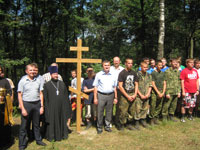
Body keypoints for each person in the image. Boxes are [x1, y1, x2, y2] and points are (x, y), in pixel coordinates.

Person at [18, 64, 46, 150]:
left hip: (37, 104)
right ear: (26, 71)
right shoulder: (23, 81)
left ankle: (38, 139)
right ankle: (22, 144)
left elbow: (41, 93)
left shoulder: (38, 80)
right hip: (26, 104)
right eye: (30, 70)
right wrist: (22, 108)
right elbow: (19, 95)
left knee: (36, 124)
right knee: (24, 125)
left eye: (34, 70)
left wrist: (42, 106)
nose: (32, 72)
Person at [43, 66, 72, 141]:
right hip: (52, 107)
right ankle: (52, 136)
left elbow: (66, 96)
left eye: (56, 74)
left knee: (62, 119)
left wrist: (67, 108)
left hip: (61, 106)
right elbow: (45, 99)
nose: (55, 75)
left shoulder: (62, 84)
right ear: (51, 75)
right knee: (52, 121)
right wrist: (47, 108)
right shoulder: (47, 85)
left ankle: (62, 134)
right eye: (54, 74)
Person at [93, 60, 117, 134]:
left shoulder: (113, 75)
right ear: (102, 66)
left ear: (110, 66)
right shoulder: (99, 74)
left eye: (108, 65)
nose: (107, 66)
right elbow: (95, 87)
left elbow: (115, 87)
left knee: (109, 112)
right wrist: (95, 98)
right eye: (105, 65)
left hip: (111, 95)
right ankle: (99, 127)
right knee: (100, 111)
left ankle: (107, 126)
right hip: (101, 95)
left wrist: (115, 97)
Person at [117, 58, 138, 130]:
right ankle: (121, 124)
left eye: (131, 63)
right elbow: (120, 86)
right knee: (123, 111)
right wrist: (127, 96)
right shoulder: (122, 73)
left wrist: (135, 94)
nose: (130, 64)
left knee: (132, 110)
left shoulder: (134, 73)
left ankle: (129, 124)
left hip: (132, 93)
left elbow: (136, 84)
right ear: (125, 64)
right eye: (129, 63)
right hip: (124, 95)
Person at [134, 62, 152, 130]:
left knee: (145, 108)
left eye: (147, 67)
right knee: (138, 109)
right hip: (139, 95)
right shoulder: (137, 75)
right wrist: (140, 94)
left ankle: (143, 120)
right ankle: (137, 122)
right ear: (141, 67)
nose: (146, 69)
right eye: (144, 67)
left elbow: (150, 85)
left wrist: (148, 94)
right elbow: (136, 85)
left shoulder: (149, 75)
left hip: (146, 95)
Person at [149, 60, 166, 125]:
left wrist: (163, 92)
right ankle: (151, 119)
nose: (160, 66)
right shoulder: (153, 73)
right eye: (159, 65)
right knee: (153, 105)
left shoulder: (163, 73)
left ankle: (156, 118)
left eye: (161, 65)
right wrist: (158, 92)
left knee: (159, 105)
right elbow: (152, 83)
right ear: (156, 65)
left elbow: (164, 83)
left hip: (162, 91)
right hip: (155, 92)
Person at [109, 56, 124, 128]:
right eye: (115, 61)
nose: (116, 62)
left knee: (119, 107)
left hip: (119, 89)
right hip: (111, 89)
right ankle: (110, 121)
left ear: (120, 61)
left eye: (117, 61)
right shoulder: (110, 69)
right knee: (110, 106)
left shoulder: (123, 70)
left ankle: (117, 121)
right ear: (113, 61)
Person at [0, 66, 13, 148]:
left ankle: (5, 142)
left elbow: (9, 92)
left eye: (0, 70)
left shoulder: (5, 81)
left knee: (4, 124)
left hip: (3, 107)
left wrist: (4, 97)